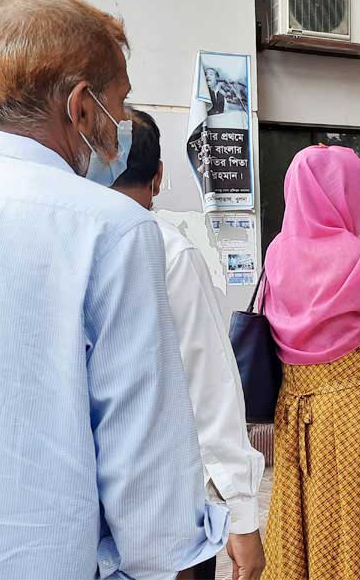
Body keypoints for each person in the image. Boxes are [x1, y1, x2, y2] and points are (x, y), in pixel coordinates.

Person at [0, 0, 226, 580]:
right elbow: (147, 477)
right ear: (81, 107)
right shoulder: (113, 230)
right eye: (121, 102)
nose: (123, 124)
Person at [111, 110, 266, 580]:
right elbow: (209, 387)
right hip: (165, 508)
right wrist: (241, 515)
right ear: (158, 177)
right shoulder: (169, 252)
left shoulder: (58, 240)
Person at [261, 145, 360, 580]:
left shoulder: (276, 253)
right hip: (354, 413)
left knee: (302, 514)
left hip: (295, 411)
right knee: (358, 516)